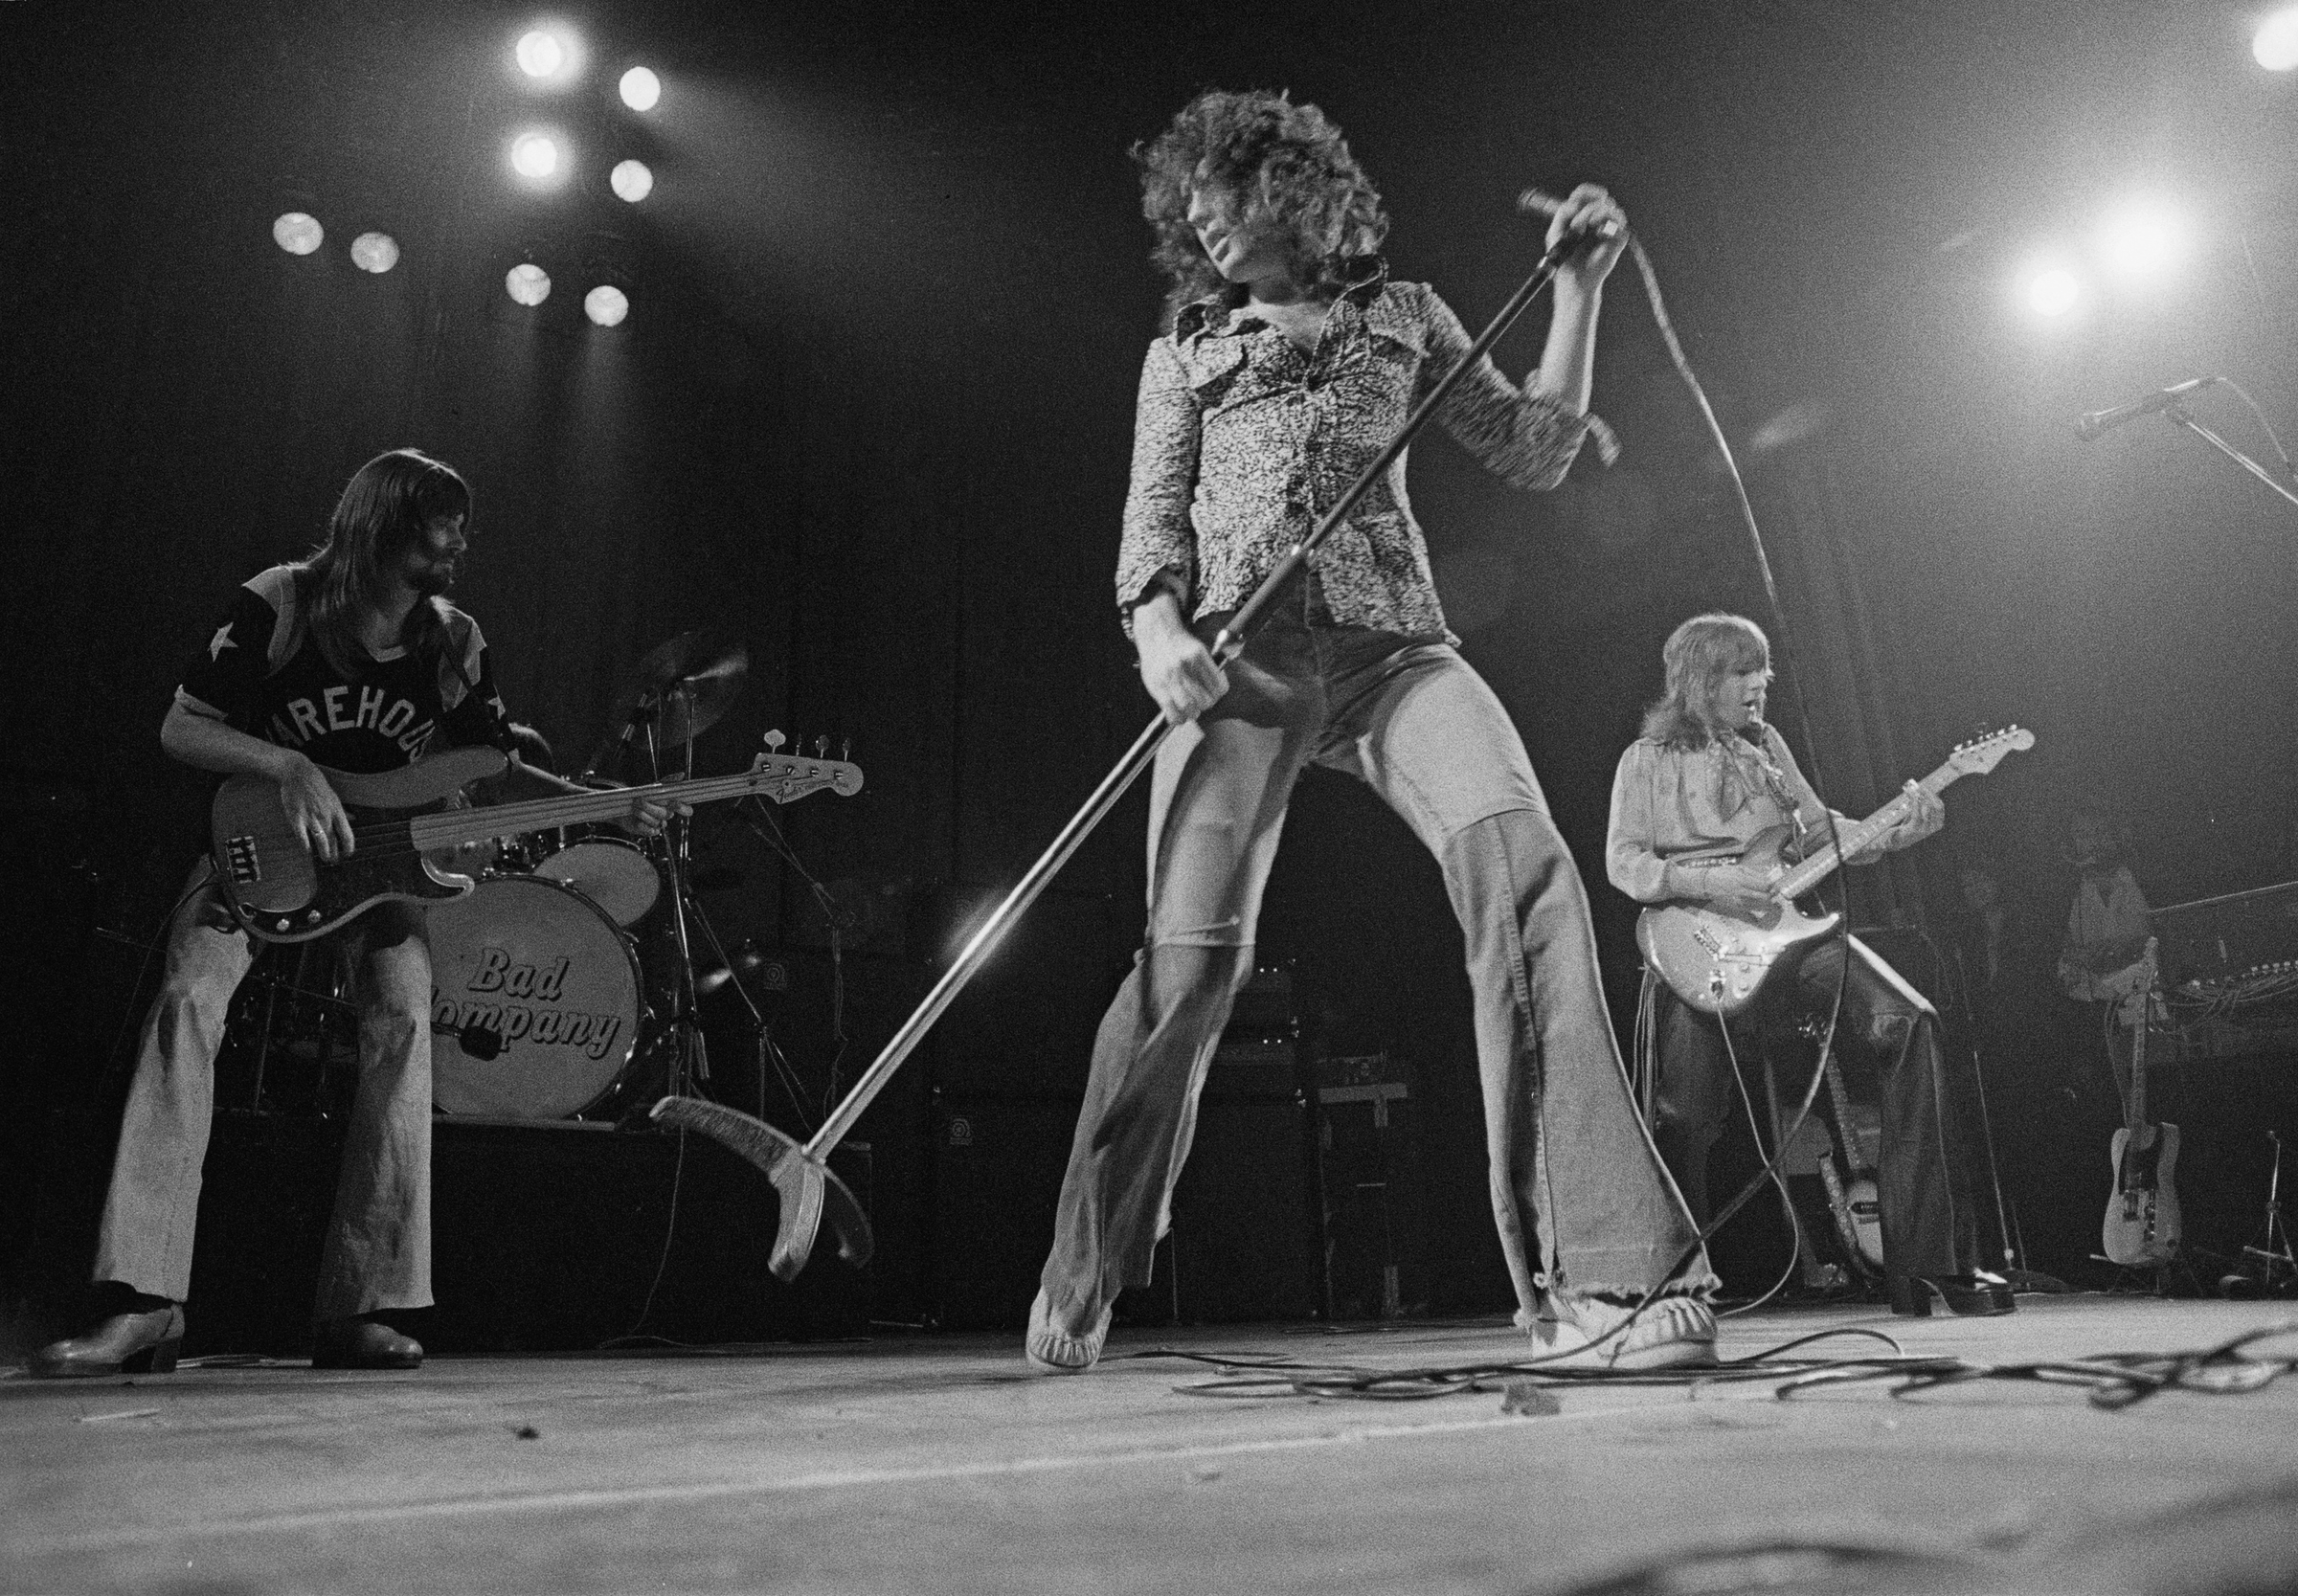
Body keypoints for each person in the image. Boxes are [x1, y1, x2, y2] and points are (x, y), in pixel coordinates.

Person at [1027, 89, 1717, 1376]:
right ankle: (1089, 1259)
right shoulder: (1181, 349)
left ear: (1303, 193)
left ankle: (1608, 1270)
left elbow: (1533, 448)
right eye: (1194, 208)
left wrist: (1577, 294)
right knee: (1188, 974)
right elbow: (1149, 528)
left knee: (1527, 875)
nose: (1206, 223)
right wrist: (1156, 635)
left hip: (1397, 652)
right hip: (1242, 662)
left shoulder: (1406, 315)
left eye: (1229, 197)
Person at [32, 448, 669, 1378]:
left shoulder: (454, 640)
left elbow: (489, 760)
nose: (459, 539)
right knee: (185, 1000)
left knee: (409, 1019)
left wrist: (602, 797)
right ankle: (144, 1299)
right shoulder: (282, 601)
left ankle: (361, 1307)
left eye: (462, 522)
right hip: (261, 856)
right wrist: (284, 765)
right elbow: (181, 723)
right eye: (441, 520)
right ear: (384, 524)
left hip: (381, 875)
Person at [1604, 613, 2014, 1316]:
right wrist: (1710, 882)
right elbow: (1623, 861)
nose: (1760, 682)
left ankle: (1931, 1264)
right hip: (1698, 942)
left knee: (1908, 1020)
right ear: (1701, 679)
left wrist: (1903, 827)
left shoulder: (1767, 746)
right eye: (1741, 669)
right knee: (1685, 1114)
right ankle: (1674, 1285)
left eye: (1762, 668)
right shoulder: (1647, 759)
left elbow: (1829, 833)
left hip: (1794, 936)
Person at [2056, 808, 2153, 1109]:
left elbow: (2152, 930)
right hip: (2096, 1004)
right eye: (2080, 836)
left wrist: (2117, 950)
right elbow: (2064, 942)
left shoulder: (2138, 876)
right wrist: (2074, 958)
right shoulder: (2072, 887)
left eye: (2093, 833)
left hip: (2140, 996)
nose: (2087, 843)